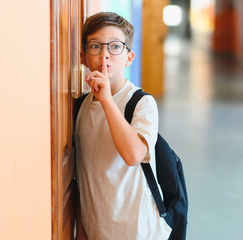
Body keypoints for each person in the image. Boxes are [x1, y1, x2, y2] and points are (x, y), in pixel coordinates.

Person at [75, 12, 171, 240]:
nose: (105, 55)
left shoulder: (141, 103)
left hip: (138, 232)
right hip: (97, 230)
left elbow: (133, 155)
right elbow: (82, 175)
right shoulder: (79, 107)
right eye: (95, 46)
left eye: (115, 47)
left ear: (129, 57)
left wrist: (107, 99)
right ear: (83, 56)